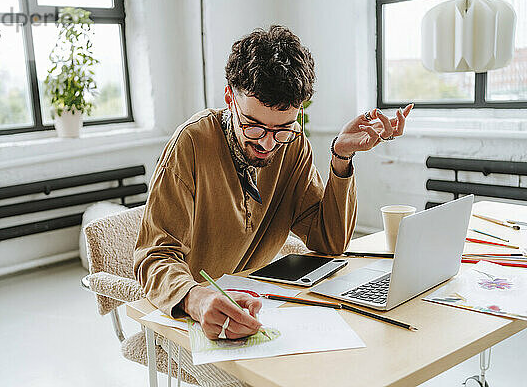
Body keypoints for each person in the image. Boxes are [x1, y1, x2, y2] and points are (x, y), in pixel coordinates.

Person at [134, 25, 412, 344]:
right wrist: (196, 299)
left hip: (263, 308)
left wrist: (340, 156)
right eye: (253, 127)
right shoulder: (192, 143)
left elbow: (329, 243)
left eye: (283, 128)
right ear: (229, 98)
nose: (267, 144)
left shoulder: (292, 146)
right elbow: (153, 256)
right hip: (193, 317)